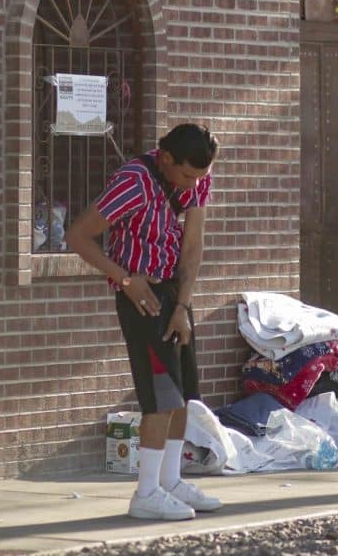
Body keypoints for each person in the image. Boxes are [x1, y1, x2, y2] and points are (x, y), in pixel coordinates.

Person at [65, 124, 222, 520]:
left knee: (184, 393)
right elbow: (79, 236)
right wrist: (125, 280)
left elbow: (193, 244)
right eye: (186, 176)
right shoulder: (133, 181)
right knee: (161, 396)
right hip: (141, 294)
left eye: (199, 179)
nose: (192, 186)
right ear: (166, 158)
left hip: (173, 294)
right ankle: (146, 492)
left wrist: (183, 306)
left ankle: (170, 480)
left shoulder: (196, 180)